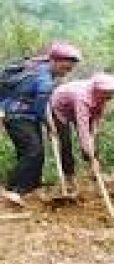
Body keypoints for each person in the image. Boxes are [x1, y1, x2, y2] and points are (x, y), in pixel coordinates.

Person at [1, 42, 81, 206]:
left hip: (26, 116)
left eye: (69, 69)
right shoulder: (44, 79)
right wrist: (50, 126)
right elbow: (40, 108)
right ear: (54, 61)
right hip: (17, 115)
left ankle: (32, 187)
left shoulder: (40, 65)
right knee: (33, 151)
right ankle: (13, 190)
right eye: (65, 68)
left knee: (35, 152)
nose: (65, 73)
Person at [49, 73, 114, 193]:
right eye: (107, 94)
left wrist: (93, 137)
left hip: (77, 106)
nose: (110, 96)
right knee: (65, 143)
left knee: (92, 141)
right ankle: (69, 177)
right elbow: (83, 129)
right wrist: (90, 152)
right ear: (97, 90)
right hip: (59, 108)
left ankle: (94, 171)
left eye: (111, 93)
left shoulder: (104, 96)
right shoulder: (82, 97)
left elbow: (95, 120)